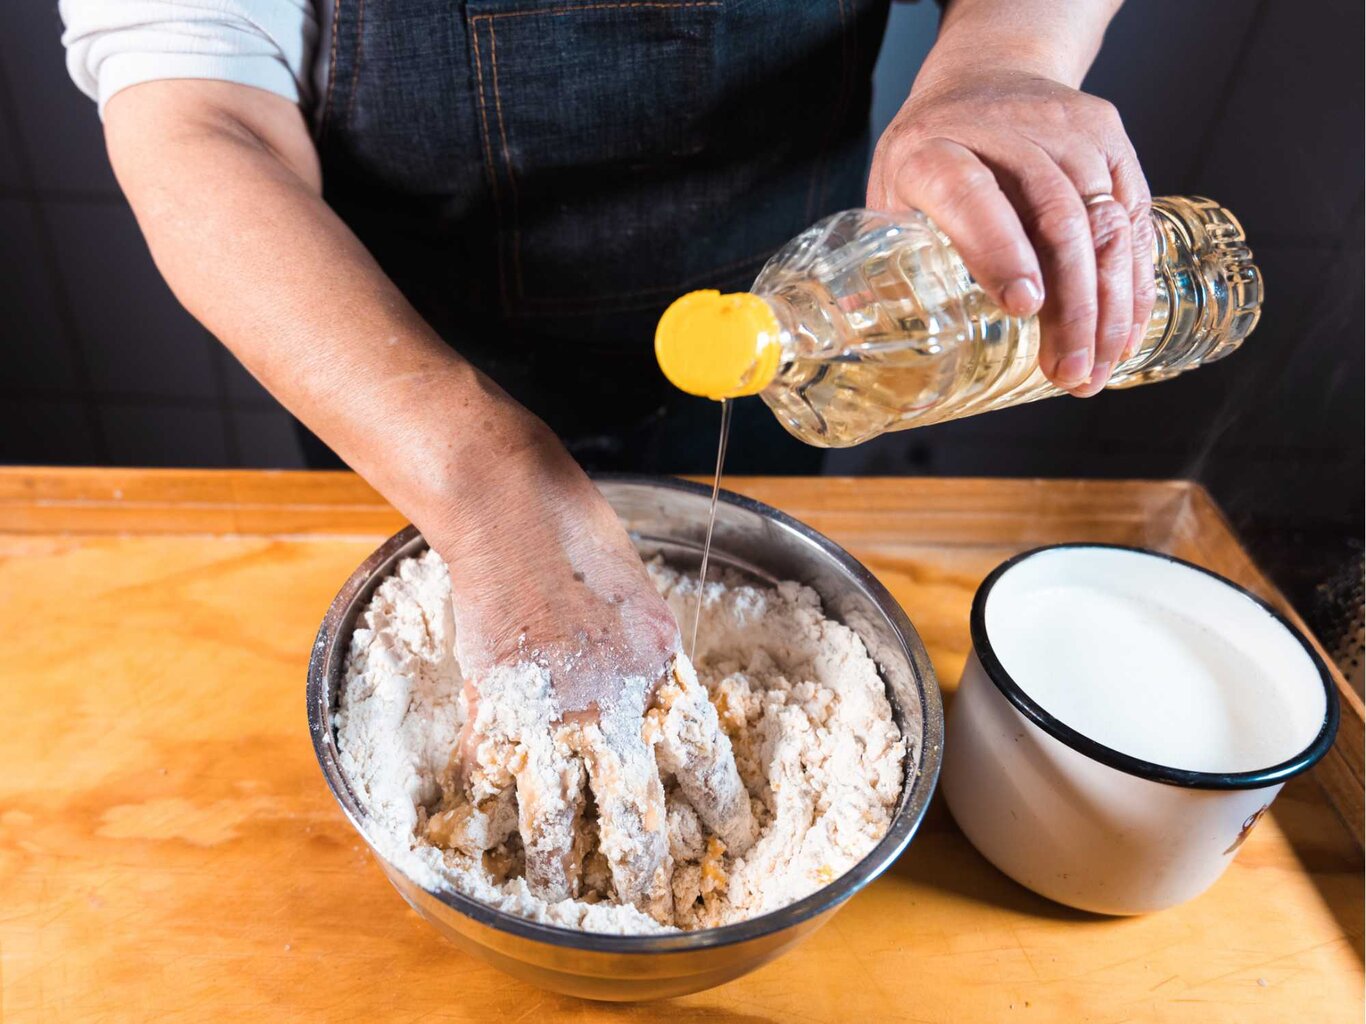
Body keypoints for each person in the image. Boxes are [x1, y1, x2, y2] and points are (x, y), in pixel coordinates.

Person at [61, 0, 1155, 908]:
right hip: (393, 362)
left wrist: (1004, 58)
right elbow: (200, 116)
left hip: (784, 329)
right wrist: (481, 484)